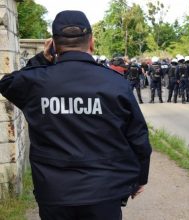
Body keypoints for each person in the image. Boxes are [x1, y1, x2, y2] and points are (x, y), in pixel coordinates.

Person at [0, 10, 152, 220]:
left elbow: (7, 83)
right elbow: (138, 137)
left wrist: (41, 59)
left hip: (54, 194)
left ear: (53, 44)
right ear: (91, 42)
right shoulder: (115, 83)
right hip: (104, 192)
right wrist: (138, 178)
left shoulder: (36, 83)